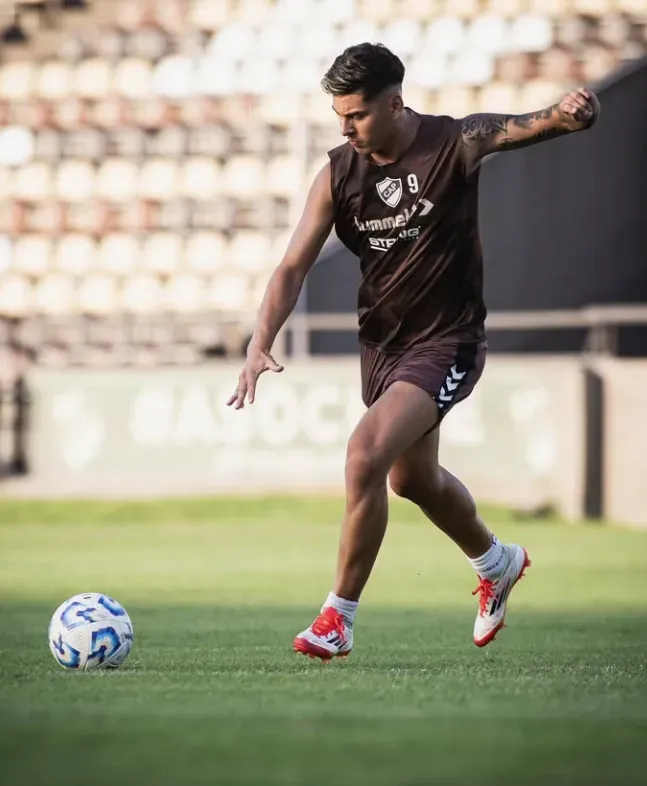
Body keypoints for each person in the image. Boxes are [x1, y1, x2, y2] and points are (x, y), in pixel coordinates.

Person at [227, 43, 600, 659]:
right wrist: (258, 341)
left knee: (364, 454)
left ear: (395, 101)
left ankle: (337, 618)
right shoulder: (338, 174)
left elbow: (526, 126)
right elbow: (292, 265)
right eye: (339, 116)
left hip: (448, 340)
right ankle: (497, 561)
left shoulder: (453, 143)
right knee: (411, 479)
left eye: (358, 115)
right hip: (383, 347)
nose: (346, 127)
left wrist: (568, 113)